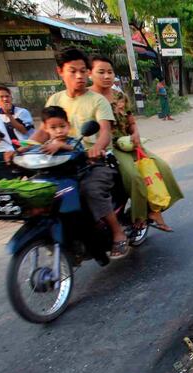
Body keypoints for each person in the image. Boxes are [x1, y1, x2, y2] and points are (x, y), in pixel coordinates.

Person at [30, 47, 128, 259]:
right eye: (73, 71)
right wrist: (22, 148)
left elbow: (105, 132)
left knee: (90, 190)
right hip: (60, 163)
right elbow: (41, 132)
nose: (80, 76)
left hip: (93, 162)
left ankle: (118, 233)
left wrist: (96, 148)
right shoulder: (55, 100)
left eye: (83, 71)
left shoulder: (97, 100)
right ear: (60, 72)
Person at [89, 55, 183, 232]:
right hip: (110, 147)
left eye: (110, 72)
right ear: (90, 73)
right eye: (101, 72)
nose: (106, 76)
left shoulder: (120, 96)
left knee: (163, 167)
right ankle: (138, 217)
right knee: (134, 177)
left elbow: (131, 122)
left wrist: (136, 134)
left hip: (130, 143)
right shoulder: (88, 98)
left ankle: (153, 210)